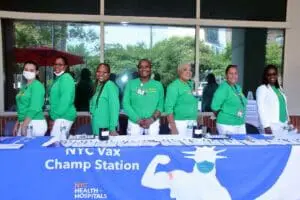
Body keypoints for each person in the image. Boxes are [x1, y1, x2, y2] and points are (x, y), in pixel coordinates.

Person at [123, 59, 164, 136]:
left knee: (152, 146)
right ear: (138, 69)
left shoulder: (158, 85)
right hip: (134, 123)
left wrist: (151, 119)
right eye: (141, 67)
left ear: (150, 68)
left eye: (146, 67)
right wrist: (138, 120)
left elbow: (160, 106)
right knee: (133, 147)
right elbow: (126, 104)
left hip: (153, 123)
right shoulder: (130, 84)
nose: (144, 69)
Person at [13, 61, 47, 136]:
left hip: (34, 123)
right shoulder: (24, 86)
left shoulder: (37, 86)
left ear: (37, 72)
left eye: (31, 70)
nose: (28, 72)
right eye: (26, 69)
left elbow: (34, 107)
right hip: (24, 122)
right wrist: (18, 123)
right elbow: (22, 107)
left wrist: (24, 126)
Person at [211, 65, 247, 134]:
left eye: (235, 73)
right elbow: (214, 107)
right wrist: (225, 116)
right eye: (231, 73)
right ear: (226, 75)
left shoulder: (238, 87)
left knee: (243, 144)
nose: (233, 76)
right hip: (227, 124)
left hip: (240, 123)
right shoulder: (223, 88)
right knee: (230, 144)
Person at [165, 63, 198, 136]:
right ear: (179, 72)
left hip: (192, 122)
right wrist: (173, 127)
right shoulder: (173, 86)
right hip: (179, 123)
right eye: (185, 70)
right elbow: (168, 108)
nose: (188, 72)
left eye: (190, 70)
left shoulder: (190, 85)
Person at [256, 65, 290, 135]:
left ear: (277, 75)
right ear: (265, 76)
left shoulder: (279, 88)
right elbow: (260, 108)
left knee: (284, 145)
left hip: (284, 124)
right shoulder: (262, 88)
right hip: (272, 125)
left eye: (274, 74)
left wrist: (288, 119)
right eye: (269, 74)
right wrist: (266, 126)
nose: (272, 76)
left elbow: (283, 105)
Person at [49, 56, 76, 140]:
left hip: (63, 116)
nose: (57, 66)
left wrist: (54, 117)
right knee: (58, 142)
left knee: (55, 143)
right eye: (55, 64)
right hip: (60, 116)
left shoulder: (66, 78)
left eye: (60, 64)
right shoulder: (59, 79)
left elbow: (65, 100)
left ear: (65, 66)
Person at [90, 63, 120, 136]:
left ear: (109, 74)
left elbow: (114, 108)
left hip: (106, 128)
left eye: (104, 72)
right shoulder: (98, 86)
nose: (101, 74)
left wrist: (112, 128)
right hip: (96, 127)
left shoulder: (110, 86)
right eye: (99, 71)